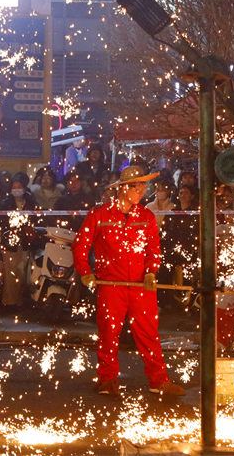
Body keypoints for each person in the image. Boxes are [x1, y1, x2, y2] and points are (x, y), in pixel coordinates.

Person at [72, 166, 185, 397]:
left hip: (140, 285)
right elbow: (80, 246)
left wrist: (151, 272)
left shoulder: (146, 216)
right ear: (123, 188)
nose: (142, 191)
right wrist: (85, 271)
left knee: (148, 334)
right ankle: (107, 379)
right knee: (108, 332)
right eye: (137, 186)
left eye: (143, 186)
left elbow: (154, 248)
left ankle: (158, 380)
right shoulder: (99, 215)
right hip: (110, 285)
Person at [0, 173, 38, 310]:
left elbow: (37, 220)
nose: (16, 189)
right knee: (10, 275)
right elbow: (1, 222)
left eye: (19, 186)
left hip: (26, 244)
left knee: (25, 274)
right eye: (14, 187)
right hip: (10, 244)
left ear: (25, 188)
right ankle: (10, 303)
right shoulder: (5, 203)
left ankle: (23, 301)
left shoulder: (32, 203)